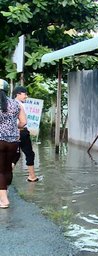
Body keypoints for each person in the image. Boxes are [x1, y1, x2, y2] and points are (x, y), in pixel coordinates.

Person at [0, 79, 27, 208]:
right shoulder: (16, 104)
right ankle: (5, 191)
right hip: (13, 141)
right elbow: (23, 122)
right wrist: (13, 127)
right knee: (7, 168)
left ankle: (4, 201)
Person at [12, 86, 38, 182]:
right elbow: (23, 122)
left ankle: (5, 176)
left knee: (15, 155)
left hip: (11, 134)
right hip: (21, 132)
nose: (26, 96)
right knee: (29, 154)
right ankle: (32, 176)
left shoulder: (9, 104)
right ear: (18, 94)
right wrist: (19, 128)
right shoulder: (20, 105)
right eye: (25, 94)